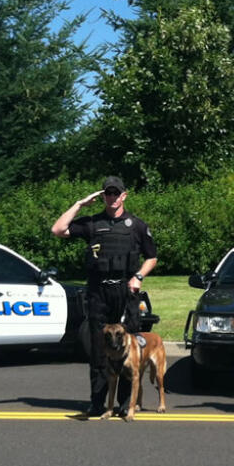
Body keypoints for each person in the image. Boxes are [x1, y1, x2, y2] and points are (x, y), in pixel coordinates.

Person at [51, 176, 157, 418]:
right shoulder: (92, 223)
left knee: (128, 347)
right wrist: (79, 204)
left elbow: (152, 257)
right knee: (100, 350)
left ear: (124, 195)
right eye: (108, 193)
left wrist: (138, 276)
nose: (112, 197)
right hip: (99, 292)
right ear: (103, 196)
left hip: (126, 290)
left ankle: (124, 404)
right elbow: (58, 229)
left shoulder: (137, 226)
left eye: (116, 193)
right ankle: (97, 403)